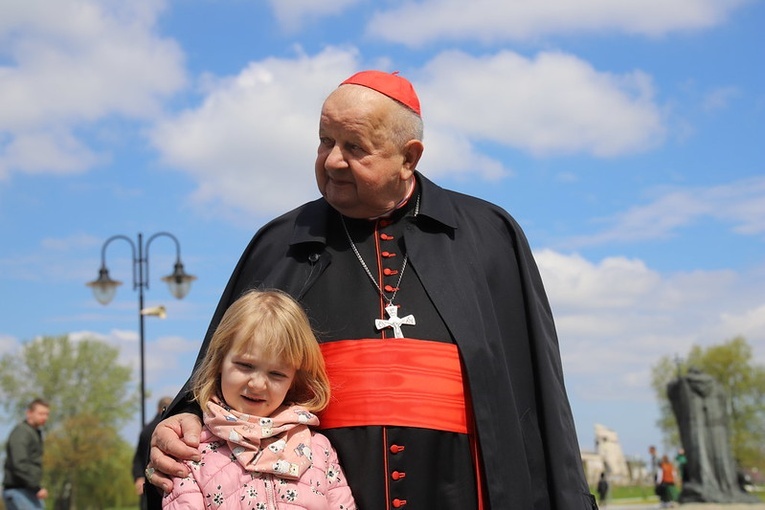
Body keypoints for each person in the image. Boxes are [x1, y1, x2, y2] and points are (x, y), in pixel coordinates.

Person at [146, 70, 597, 509]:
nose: (333, 160)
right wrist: (182, 419)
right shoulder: (279, 243)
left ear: (409, 157)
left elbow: (536, 390)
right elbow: (213, 378)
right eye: (326, 141)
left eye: (355, 147)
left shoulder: (488, 236)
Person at [160, 289, 356, 508]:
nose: (257, 384)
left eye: (277, 374)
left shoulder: (319, 450)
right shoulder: (191, 451)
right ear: (219, 363)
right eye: (245, 366)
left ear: (293, 380)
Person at [3, 398, 50, 510]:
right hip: (19, 491)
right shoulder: (22, 433)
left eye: (47, 414)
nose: (44, 417)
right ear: (29, 413)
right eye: (41, 413)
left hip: (28, 490)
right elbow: (19, 464)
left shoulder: (34, 433)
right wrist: (36, 487)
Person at [133, 396, 174, 509]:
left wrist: (139, 477)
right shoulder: (174, 428)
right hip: (170, 480)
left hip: (149, 478)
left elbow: (138, 458)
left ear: (157, 409)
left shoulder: (146, 430)